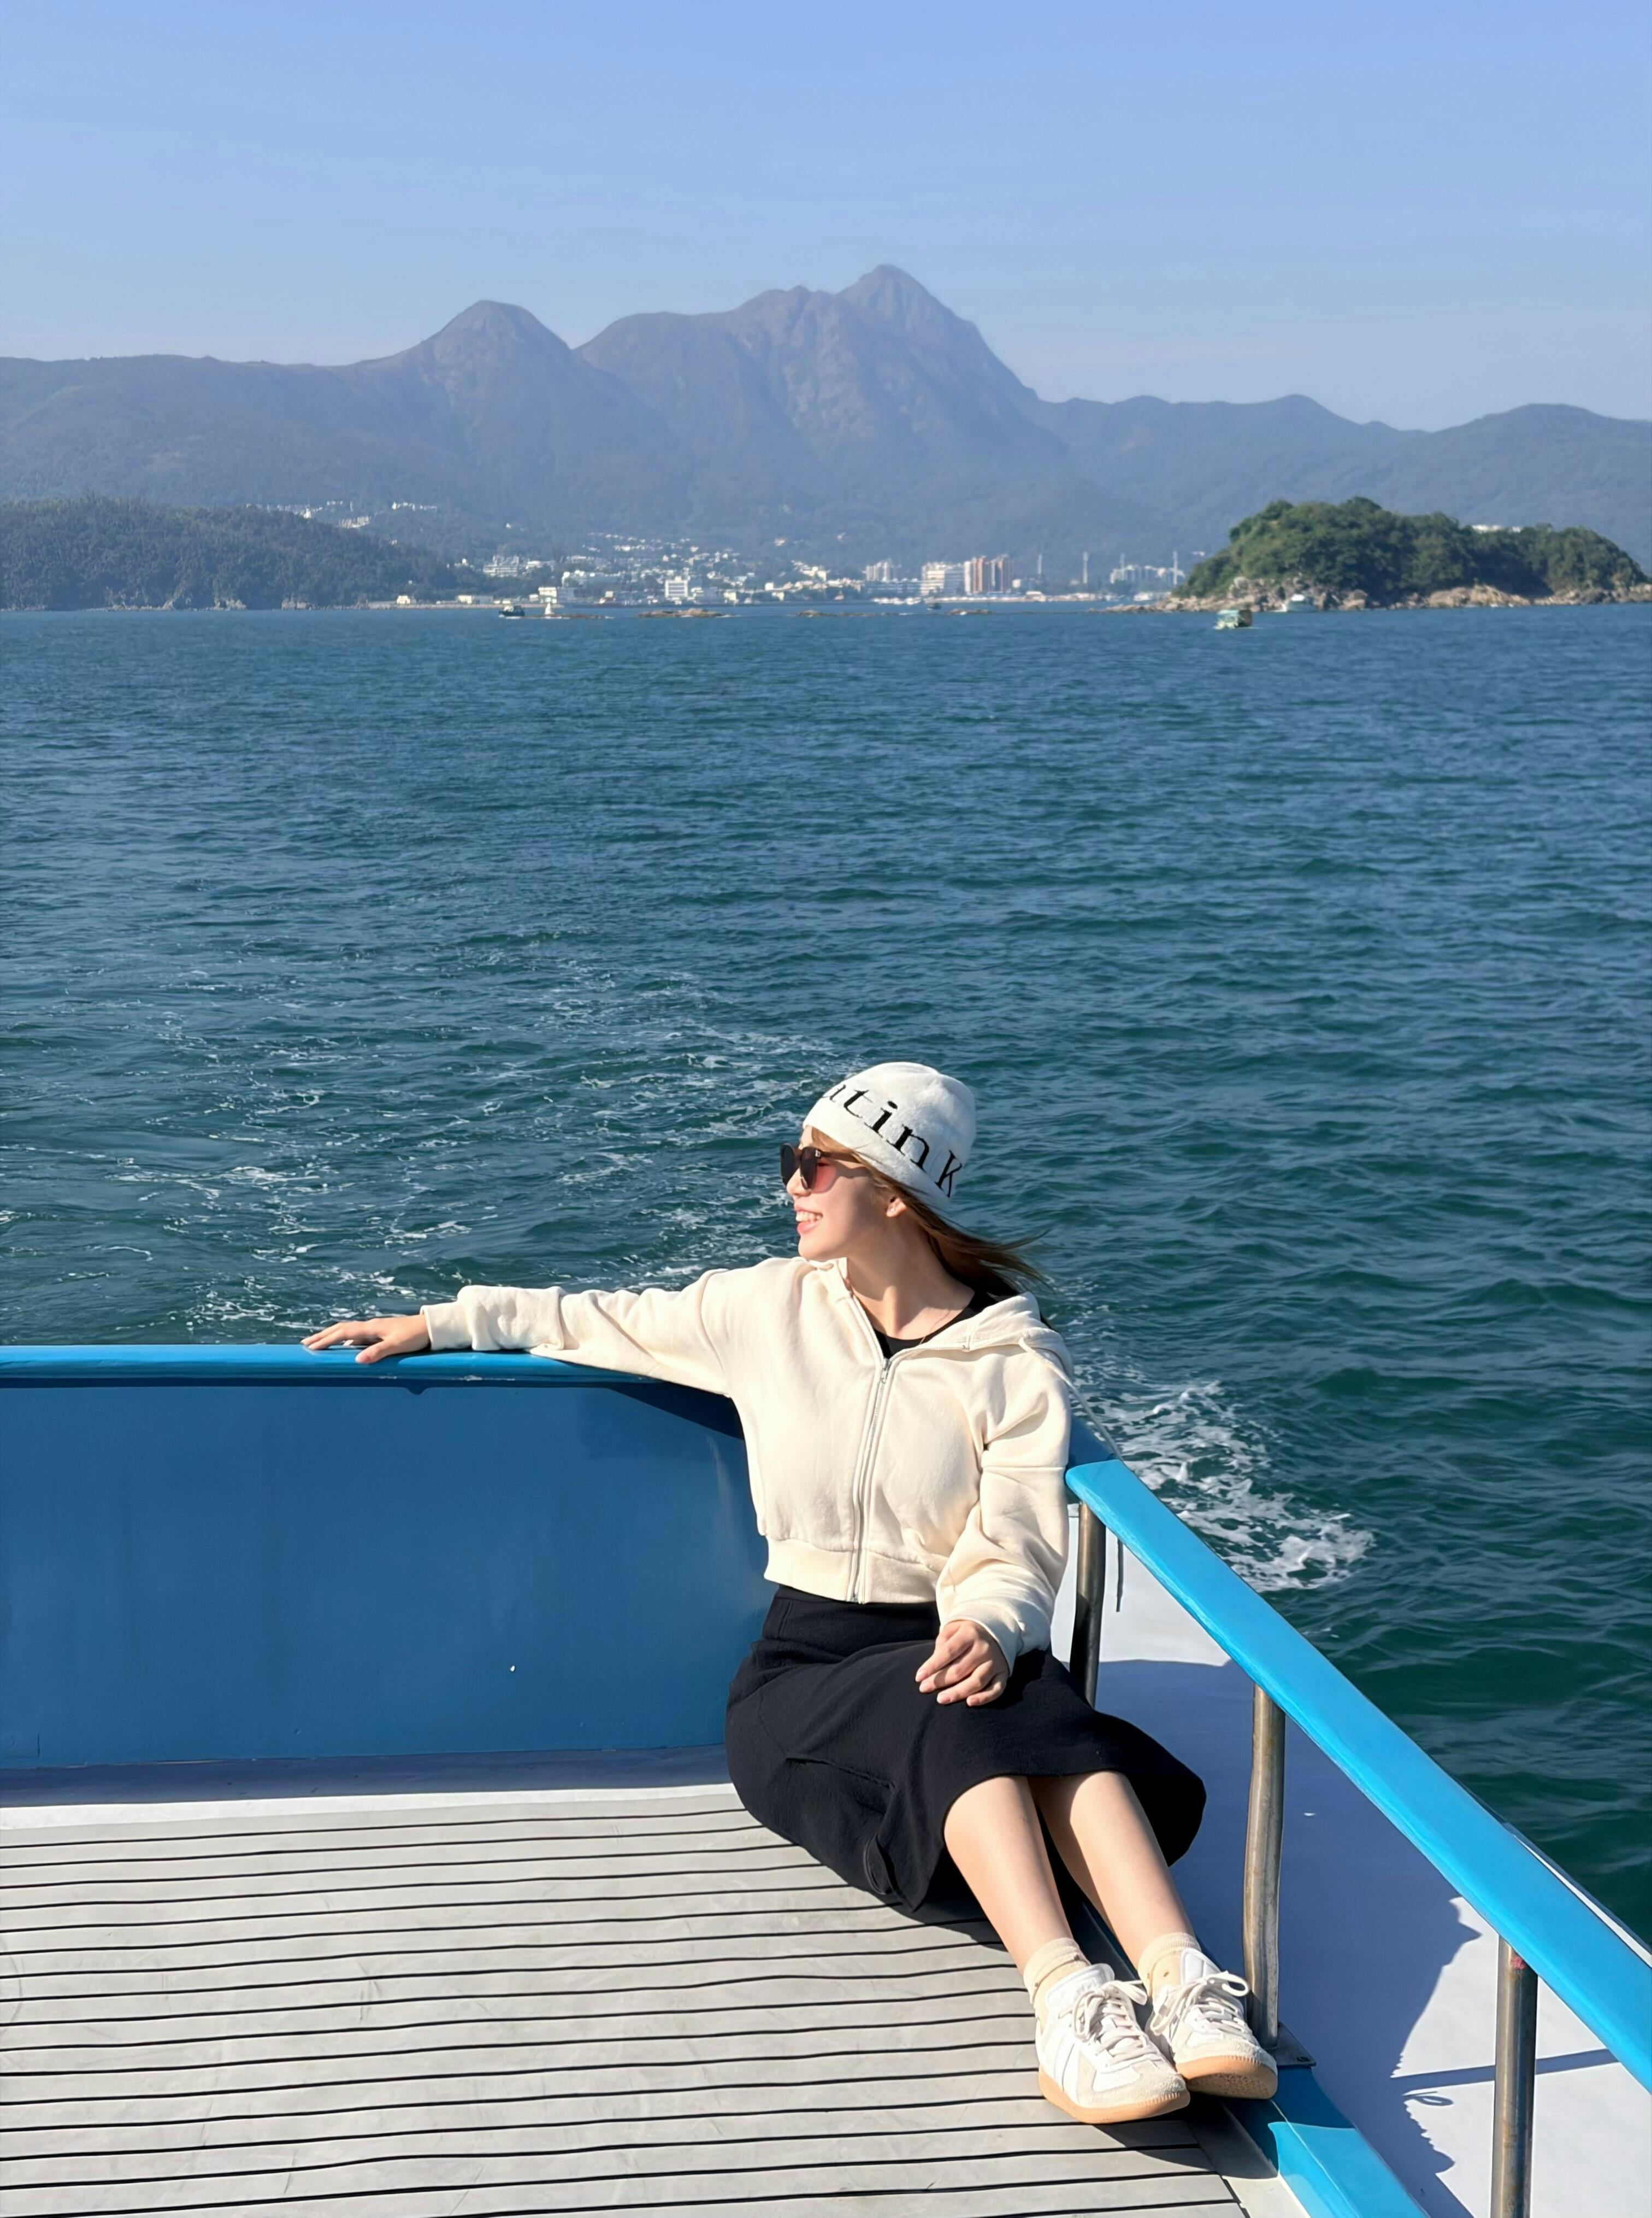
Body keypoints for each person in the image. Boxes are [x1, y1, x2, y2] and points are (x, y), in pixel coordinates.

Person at [303, 1058, 1276, 2125]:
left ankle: (1183, 1981)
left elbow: (1015, 1536)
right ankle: (1067, 1995)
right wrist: (444, 1320)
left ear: (894, 1190)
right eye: (793, 1161)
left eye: (813, 1165)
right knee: (962, 1711)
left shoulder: (1012, 1361)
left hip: (949, 1641)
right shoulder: (768, 1308)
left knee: (1024, 1702)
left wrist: (992, 1623)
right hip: (805, 1675)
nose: (790, 1185)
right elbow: (599, 1318)